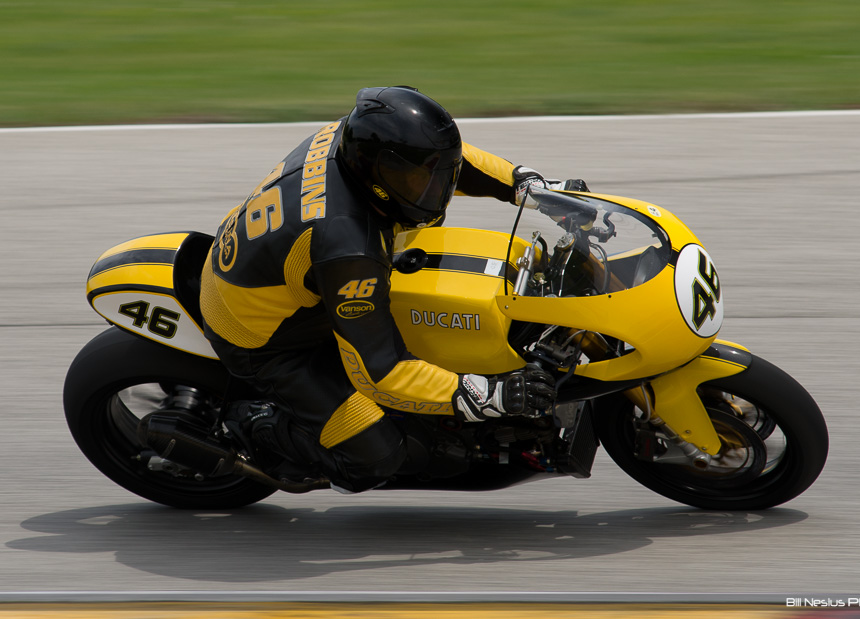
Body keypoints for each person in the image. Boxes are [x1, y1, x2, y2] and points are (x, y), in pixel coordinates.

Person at [199, 86, 588, 492]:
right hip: (265, 340)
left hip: (274, 275)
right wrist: (487, 395)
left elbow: (440, 155)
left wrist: (527, 186)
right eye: (418, 180)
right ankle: (255, 423)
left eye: (436, 176)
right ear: (374, 172)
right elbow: (381, 370)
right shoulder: (348, 245)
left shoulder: (355, 137)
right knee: (375, 455)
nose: (435, 189)